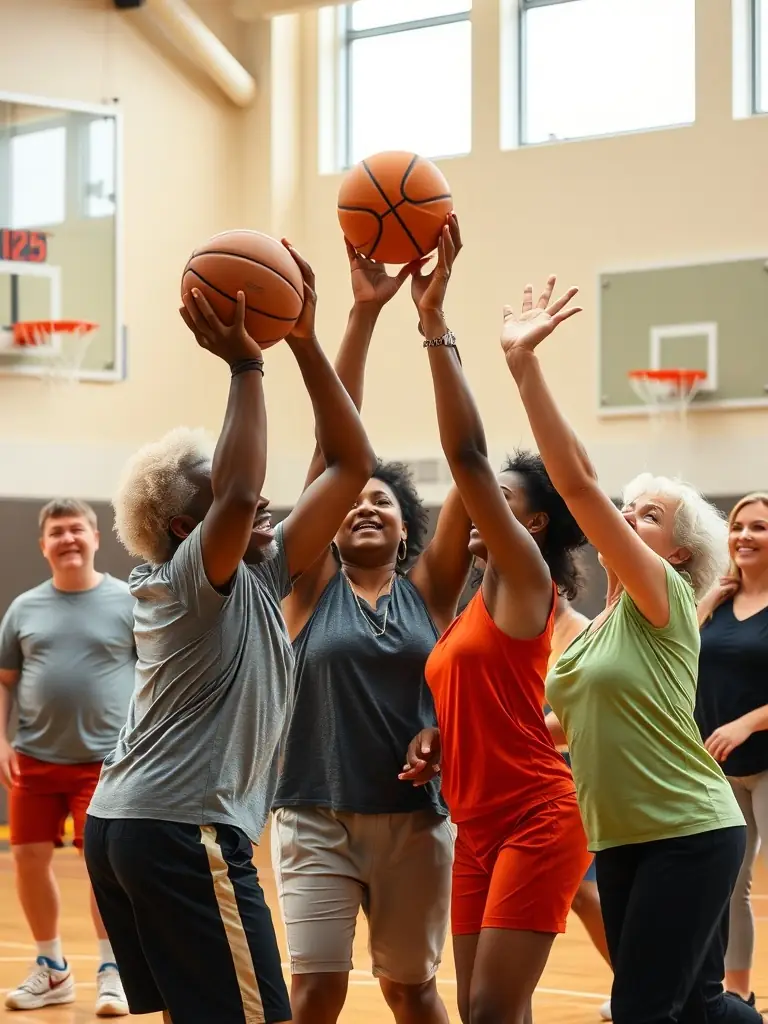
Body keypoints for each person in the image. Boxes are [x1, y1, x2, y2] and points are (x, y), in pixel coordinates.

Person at [83, 247, 377, 1024]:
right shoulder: (190, 583)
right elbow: (242, 488)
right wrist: (246, 366)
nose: (261, 500)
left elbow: (350, 464)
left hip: (137, 824)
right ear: (191, 527)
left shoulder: (252, 574)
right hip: (180, 829)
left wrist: (308, 341)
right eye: (231, 507)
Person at [505, 274, 762, 1024]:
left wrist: (525, 368)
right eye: (628, 508)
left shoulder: (665, 600)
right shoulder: (590, 633)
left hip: (689, 828)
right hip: (619, 834)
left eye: (648, 516)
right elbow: (568, 726)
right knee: (694, 1008)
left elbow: (578, 485)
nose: (626, 517)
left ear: (676, 555)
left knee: (641, 1009)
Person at [272, 240, 472, 1024]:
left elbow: (468, 462)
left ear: (405, 527)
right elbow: (334, 454)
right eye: (354, 500)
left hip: (415, 824)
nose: (363, 505)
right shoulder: (309, 585)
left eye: (382, 502)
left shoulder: (433, 589)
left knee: (410, 991)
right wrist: (358, 315)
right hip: (313, 812)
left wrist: (432, 323)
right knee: (313, 992)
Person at [402, 218, 592, 1024]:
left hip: (538, 816)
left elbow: (466, 460)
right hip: (470, 820)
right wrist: (438, 731)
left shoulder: (522, 580)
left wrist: (436, 328)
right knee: (483, 1017)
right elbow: (476, 689)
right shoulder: (464, 598)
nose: (476, 512)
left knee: (489, 1011)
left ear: (536, 525)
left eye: (502, 507)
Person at [0, 498, 135, 1016]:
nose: (68, 539)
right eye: (57, 532)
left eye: (76, 529)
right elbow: (6, 682)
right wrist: (4, 741)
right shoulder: (23, 608)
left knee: (103, 868)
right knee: (28, 861)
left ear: (96, 538)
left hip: (105, 763)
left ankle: (112, 970)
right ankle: (52, 970)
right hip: (33, 759)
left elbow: (152, 679)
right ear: (43, 546)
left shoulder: (128, 601)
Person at [696, 492, 768, 1011]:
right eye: (738, 526)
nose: (744, 535)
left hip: (765, 761)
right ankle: (738, 994)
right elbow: (673, 648)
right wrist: (705, 602)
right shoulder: (715, 602)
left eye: (759, 528)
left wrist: (745, 723)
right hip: (719, 768)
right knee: (730, 885)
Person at [545, 598, 613, 1020]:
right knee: (582, 897)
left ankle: (643, 983)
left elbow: (581, 718)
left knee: (585, 895)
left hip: (568, 776)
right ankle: (639, 983)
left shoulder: (580, 629)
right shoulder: (496, 618)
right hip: (522, 773)